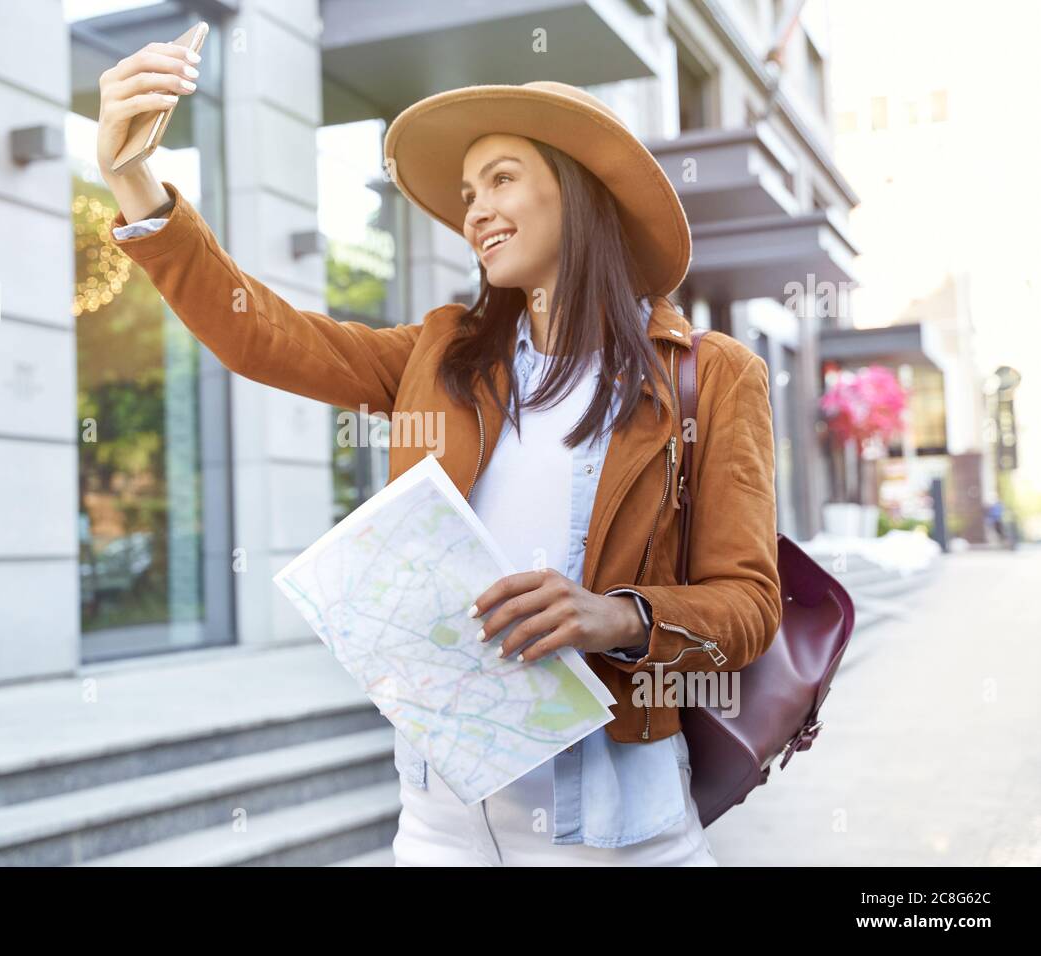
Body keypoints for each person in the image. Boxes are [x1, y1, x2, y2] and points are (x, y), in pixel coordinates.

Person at [95, 37, 781, 866]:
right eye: (467, 192)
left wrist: (620, 616)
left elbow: (748, 604)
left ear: (580, 190)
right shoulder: (443, 353)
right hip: (442, 819)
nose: (475, 210)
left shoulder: (710, 377)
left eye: (502, 179)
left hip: (616, 823)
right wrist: (135, 178)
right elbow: (259, 335)